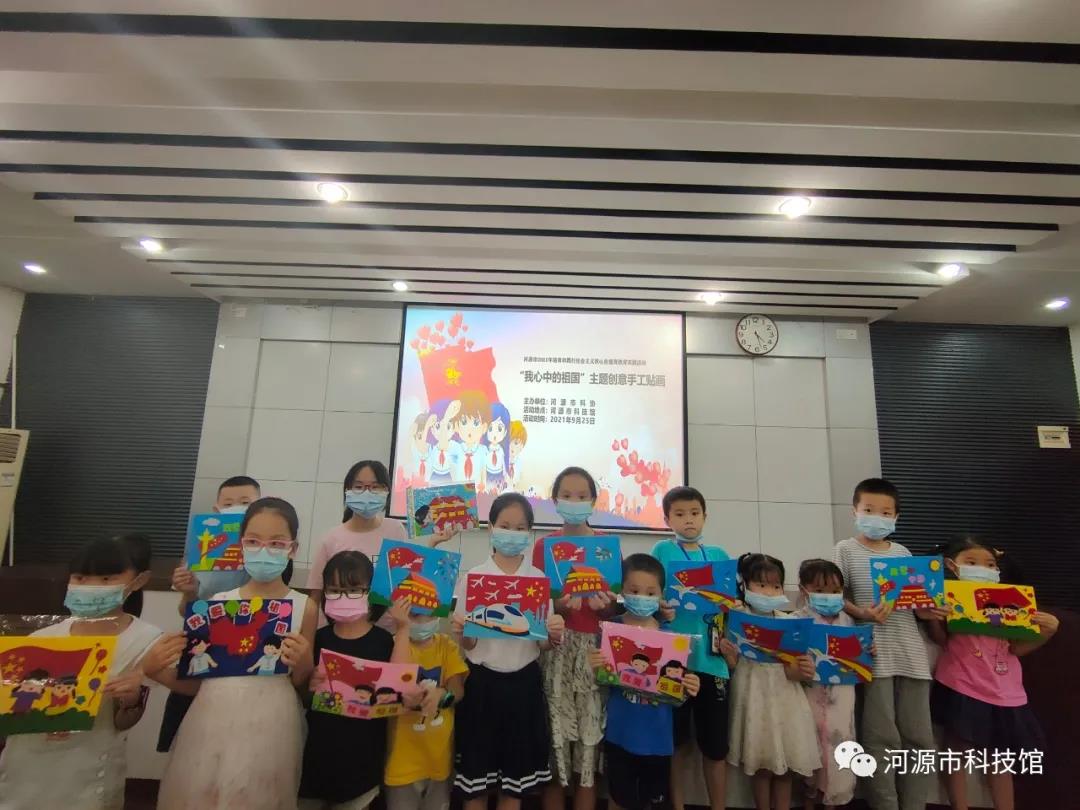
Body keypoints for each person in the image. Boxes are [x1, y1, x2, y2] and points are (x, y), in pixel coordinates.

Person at [145, 497, 317, 810]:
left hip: (273, 722)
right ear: (241, 545)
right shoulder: (217, 603)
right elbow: (196, 681)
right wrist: (155, 671)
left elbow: (300, 684)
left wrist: (305, 664)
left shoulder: (305, 607)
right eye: (253, 541)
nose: (264, 550)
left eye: (276, 543)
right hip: (211, 717)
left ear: (293, 549)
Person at [0, 537, 161, 810]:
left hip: (88, 773)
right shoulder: (42, 638)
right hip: (25, 773)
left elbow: (125, 721)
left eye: (106, 579)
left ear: (138, 581)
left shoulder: (147, 641)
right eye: (80, 578)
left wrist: (131, 698)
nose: (90, 587)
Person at [832, 478, 946, 810]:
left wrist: (930, 610)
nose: (876, 517)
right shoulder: (844, 549)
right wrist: (862, 613)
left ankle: (915, 804)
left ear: (896, 517)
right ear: (854, 511)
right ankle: (885, 804)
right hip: (873, 652)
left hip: (911, 653)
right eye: (868, 510)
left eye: (885, 512)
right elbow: (835, 596)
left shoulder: (904, 553)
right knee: (880, 737)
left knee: (920, 738)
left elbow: (916, 606)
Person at [451, 492, 566, 810]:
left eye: (520, 528)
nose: (512, 534)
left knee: (514, 785)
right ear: (491, 527)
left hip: (523, 686)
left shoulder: (538, 580)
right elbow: (469, 644)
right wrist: (463, 633)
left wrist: (553, 635)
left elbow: (542, 644)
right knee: (475, 782)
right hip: (482, 686)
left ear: (529, 533)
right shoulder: (474, 578)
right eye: (505, 526)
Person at [928, 537, 1058, 810]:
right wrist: (934, 619)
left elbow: (1016, 649)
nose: (982, 569)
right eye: (971, 562)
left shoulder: (1011, 602)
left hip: (1003, 689)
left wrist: (1047, 632)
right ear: (952, 565)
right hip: (962, 683)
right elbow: (942, 640)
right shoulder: (948, 599)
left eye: (989, 564)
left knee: (999, 758)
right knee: (957, 750)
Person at [299, 551, 412, 810]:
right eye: (334, 590)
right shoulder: (319, 638)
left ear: (369, 593)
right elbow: (303, 696)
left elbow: (400, 691)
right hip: (316, 758)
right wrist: (310, 685)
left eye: (353, 590)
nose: (343, 597)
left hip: (363, 761)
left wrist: (404, 628)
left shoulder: (383, 641)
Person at [587, 553, 701, 810]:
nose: (642, 597)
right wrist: (594, 665)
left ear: (661, 595)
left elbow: (677, 694)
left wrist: (689, 686)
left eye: (650, 593)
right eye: (634, 590)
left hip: (657, 739)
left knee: (653, 800)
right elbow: (600, 681)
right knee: (619, 798)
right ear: (622, 591)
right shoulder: (610, 630)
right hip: (619, 735)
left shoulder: (671, 639)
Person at [531, 466, 614, 810]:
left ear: (593, 501)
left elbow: (616, 610)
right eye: (567, 495)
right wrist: (559, 608)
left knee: (586, 757)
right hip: (556, 651)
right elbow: (536, 608)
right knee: (555, 751)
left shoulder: (606, 547)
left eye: (582, 496)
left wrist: (606, 608)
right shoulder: (543, 547)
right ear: (555, 500)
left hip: (593, 653)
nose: (574, 502)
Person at [159, 475, 261, 752]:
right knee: (190, 737)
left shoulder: (266, 551)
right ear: (216, 509)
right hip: (203, 642)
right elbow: (185, 610)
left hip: (246, 645)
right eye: (228, 503)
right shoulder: (199, 548)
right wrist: (189, 591)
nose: (236, 507)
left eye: (245, 502)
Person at [650, 486, 733, 810]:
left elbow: (729, 607)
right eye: (680, 514)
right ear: (667, 519)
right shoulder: (661, 550)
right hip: (674, 660)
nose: (689, 520)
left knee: (716, 747)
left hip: (713, 661)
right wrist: (660, 608)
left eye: (695, 513)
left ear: (705, 516)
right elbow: (649, 596)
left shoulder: (719, 556)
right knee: (676, 744)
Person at [726, 554, 820, 810]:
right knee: (761, 765)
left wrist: (805, 669)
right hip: (753, 694)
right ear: (744, 585)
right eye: (761, 584)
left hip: (785, 698)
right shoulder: (736, 617)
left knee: (785, 767)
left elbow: (796, 671)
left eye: (776, 586)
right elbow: (731, 665)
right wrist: (729, 656)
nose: (769, 592)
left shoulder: (790, 622)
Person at [384, 606, 469, 810]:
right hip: (402, 762)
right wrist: (403, 628)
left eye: (427, 614)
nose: (421, 621)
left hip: (438, 759)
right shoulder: (393, 646)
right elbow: (391, 688)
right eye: (413, 615)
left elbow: (457, 691)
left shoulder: (446, 646)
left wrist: (442, 695)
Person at [792, 559, 860, 810]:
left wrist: (867, 650)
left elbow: (858, 658)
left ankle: (834, 801)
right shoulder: (797, 620)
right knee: (810, 749)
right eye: (820, 590)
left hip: (841, 697)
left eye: (835, 590)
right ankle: (808, 798)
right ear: (804, 590)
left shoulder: (848, 622)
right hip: (809, 694)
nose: (828, 596)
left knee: (839, 744)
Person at [307, 460, 408, 605]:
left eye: (375, 487)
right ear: (347, 491)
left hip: (388, 619)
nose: (367, 493)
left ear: (386, 490)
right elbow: (315, 596)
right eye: (359, 487)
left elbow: (403, 579)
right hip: (341, 618)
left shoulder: (395, 530)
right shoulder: (330, 539)